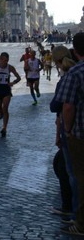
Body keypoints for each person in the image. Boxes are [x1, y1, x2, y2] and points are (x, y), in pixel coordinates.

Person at [55, 33, 84, 236]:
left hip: (79, 134)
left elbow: (67, 107)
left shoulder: (75, 73)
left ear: (75, 51)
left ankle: (80, 222)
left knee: (79, 178)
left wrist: (66, 130)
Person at [49, 46, 77, 221]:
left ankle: (73, 211)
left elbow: (58, 106)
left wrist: (63, 132)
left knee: (70, 171)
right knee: (61, 164)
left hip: (72, 131)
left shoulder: (67, 78)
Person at [0, 52, 21, 137]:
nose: (6, 62)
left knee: (5, 108)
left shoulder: (10, 67)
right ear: (0, 59)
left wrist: (13, 82)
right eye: (4, 60)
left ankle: (4, 128)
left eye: (7, 60)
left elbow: (18, 77)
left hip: (6, 90)